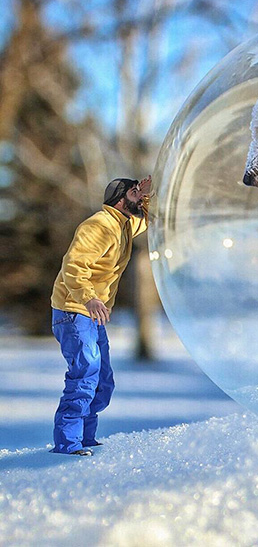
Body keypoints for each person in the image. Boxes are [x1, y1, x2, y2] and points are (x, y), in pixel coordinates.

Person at [50, 176, 152, 455]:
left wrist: (146, 196)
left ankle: (84, 439)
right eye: (133, 193)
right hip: (75, 310)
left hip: (93, 314)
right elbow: (73, 265)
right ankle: (68, 444)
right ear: (120, 199)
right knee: (85, 374)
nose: (139, 198)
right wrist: (89, 297)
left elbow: (149, 218)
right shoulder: (98, 226)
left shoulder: (124, 225)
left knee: (103, 380)